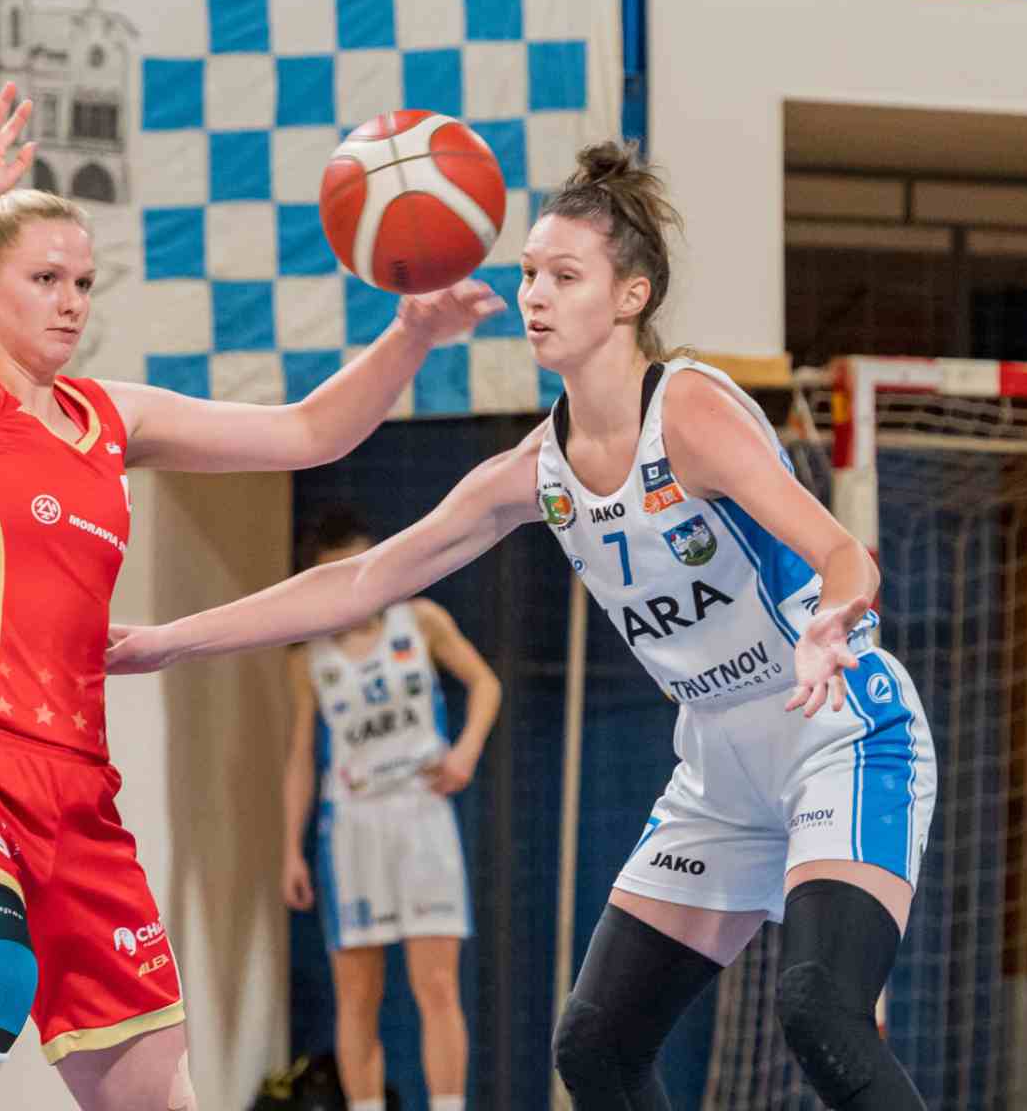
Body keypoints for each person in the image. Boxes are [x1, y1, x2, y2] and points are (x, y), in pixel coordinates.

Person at [108, 143, 937, 1111]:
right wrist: (169, 640)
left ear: (630, 296)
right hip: (719, 761)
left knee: (819, 1009)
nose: (535, 296)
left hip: (837, 731)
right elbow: (361, 582)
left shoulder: (692, 412)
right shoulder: (534, 472)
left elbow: (843, 553)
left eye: (564, 276)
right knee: (596, 1047)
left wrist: (833, 620)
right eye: (529, 273)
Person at [0, 82, 508, 1111]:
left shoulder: (110, 415)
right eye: (45, 278)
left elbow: (309, 432)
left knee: (158, 1094)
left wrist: (411, 335)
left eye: (83, 282)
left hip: (77, 790)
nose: (70, 301)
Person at [283, 508, 499, 1111]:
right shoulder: (308, 657)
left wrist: (465, 752)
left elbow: (487, 683)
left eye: (358, 566)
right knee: (358, 996)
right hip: (351, 827)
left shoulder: (421, 620)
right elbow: (301, 756)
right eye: (334, 573)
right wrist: (290, 850)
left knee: (438, 985)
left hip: (421, 814)